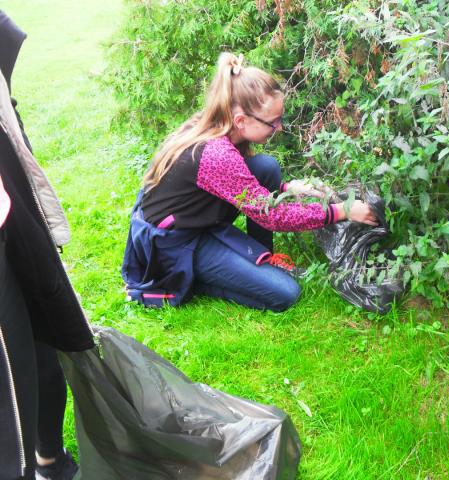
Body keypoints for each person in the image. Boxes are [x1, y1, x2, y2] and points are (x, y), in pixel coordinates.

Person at [122, 52, 378, 311]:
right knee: (285, 293)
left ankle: (262, 258)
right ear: (241, 121)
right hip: (173, 244)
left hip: (192, 217)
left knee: (266, 167)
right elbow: (274, 216)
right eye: (273, 122)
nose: (279, 128)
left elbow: (238, 186)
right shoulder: (217, 154)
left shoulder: (217, 124)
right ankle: (190, 280)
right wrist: (342, 211)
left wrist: (287, 189)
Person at [0, 11, 94, 480]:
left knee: (42, 343)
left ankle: (49, 457)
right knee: (9, 386)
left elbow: (7, 36)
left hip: (13, 208)